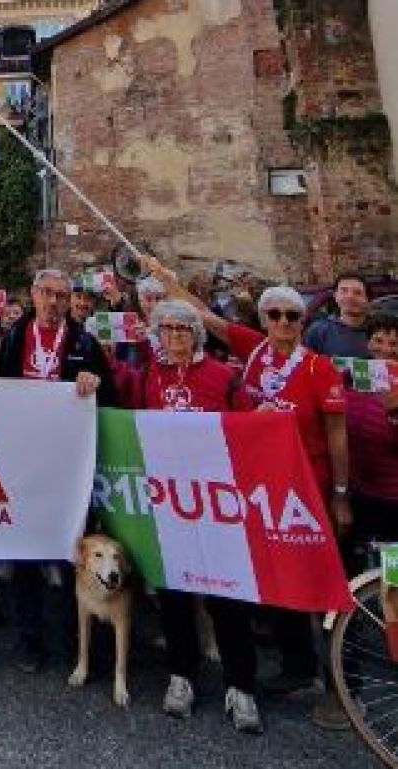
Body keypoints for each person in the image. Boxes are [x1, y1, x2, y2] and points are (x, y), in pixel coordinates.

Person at [145, 258, 348, 697]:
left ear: (302, 322)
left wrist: (341, 493)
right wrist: (165, 280)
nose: (283, 323)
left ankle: (323, 675)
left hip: (304, 484)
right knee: (269, 572)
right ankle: (296, 664)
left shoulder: (318, 367)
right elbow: (201, 316)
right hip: (255, 485)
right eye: (274, 314)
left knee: (305, 573)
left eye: (292, 316)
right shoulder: (252, 348)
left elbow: (337, 433)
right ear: (263, 319)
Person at [116, 299, 260, 732]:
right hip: (169, 504)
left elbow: (250, 431)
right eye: (168, 329)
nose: (175, 336)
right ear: (158, 336)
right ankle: (182, 675)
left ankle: (241, 686)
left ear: (196, 334)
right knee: (174, 597)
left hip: (216, 504)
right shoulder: (148, 378)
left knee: (227, 597)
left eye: (183, 329)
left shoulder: (225, 377)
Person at [0, 267, 112, 671]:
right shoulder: (12, 338)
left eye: (61, 296)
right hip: (24, 466)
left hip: (68, 469)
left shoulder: (84, 342)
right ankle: (30, 640)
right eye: (46, 293)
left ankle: (71, 640)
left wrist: (94, 381)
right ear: (32, 294)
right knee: (26, 556)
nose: (53, 302)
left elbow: (109, 397)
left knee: (70, 554)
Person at [345, 310, 398, 550]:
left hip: (392, 499)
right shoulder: (351, 377)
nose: (386, 349)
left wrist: (394, 414)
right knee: (362, 562)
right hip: (357, 494)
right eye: (378, 340)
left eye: (394, 343)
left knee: (392, 571)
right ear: (367, 343)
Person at [305, 272, 371, 359]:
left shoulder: (379, 330)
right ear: (335, 296)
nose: (350, 296)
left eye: (357, 292)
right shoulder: (319, 331)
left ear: (366, 299)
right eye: (344, 291)